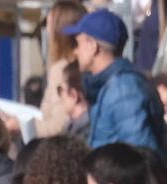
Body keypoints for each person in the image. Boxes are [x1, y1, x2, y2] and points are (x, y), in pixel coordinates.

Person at [68, 9, 167, 157]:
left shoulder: (124, 90)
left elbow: (140, 157)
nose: (75, 51)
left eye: (78, 43)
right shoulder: (108, 86)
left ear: (93, 45)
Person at [39, 0, 89, 138]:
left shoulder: (62, 70)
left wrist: (20, 125)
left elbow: (58, 125)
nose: (47, 32)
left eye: (49, 26)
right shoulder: (84, 66)